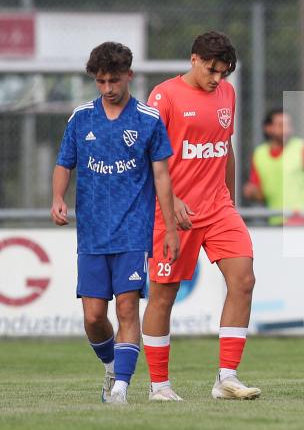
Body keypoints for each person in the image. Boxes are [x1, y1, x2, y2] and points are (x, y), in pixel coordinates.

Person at [51, 41, 180, 404]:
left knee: (126, 307)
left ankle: (121, 387)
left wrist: (169, 228)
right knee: (93, 317)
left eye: (114, 81)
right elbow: (64, 163)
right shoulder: (81, 118)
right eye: (101, 82)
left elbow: (162, 177)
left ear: (129, 76)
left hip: (132, 230)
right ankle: (111, 366)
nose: (108, 88)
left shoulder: (148, 120)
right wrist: (58, 198)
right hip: (92, 232)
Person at [143, 31, 260, 401]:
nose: (217, 79)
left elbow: (225, 148)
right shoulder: (164, 96)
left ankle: (227, 378)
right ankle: (159, 385)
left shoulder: (227, 93)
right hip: (173, 211)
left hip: (219, 208)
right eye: (211, 70)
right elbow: (147, 158)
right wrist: (171, 199)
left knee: (243, 280)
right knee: (164, 295)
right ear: (194, 59)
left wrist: (231, 200)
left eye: (223, 73)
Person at [243, 109, 304, 225]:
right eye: (281, 125)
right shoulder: (259, 154)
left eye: (289, 125)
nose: (287, 130)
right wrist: (252, 192)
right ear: (268, 128)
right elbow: (261, 195)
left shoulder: (302, 148)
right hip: (276, 222)